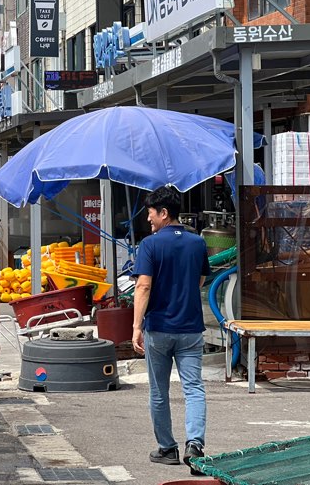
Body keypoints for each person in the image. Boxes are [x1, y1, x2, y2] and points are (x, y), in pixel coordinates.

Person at [131, 186, 210, 474]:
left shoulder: (150, 245)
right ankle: (195, 444)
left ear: (164, 213)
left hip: (159, 328)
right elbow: (200, 279)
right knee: (194, 388)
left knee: (159, 391)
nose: (149, 219)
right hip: (190, 328)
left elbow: (143, 285)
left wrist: (136, 326)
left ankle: (167, 448)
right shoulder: (197, 243)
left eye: (151, 213)